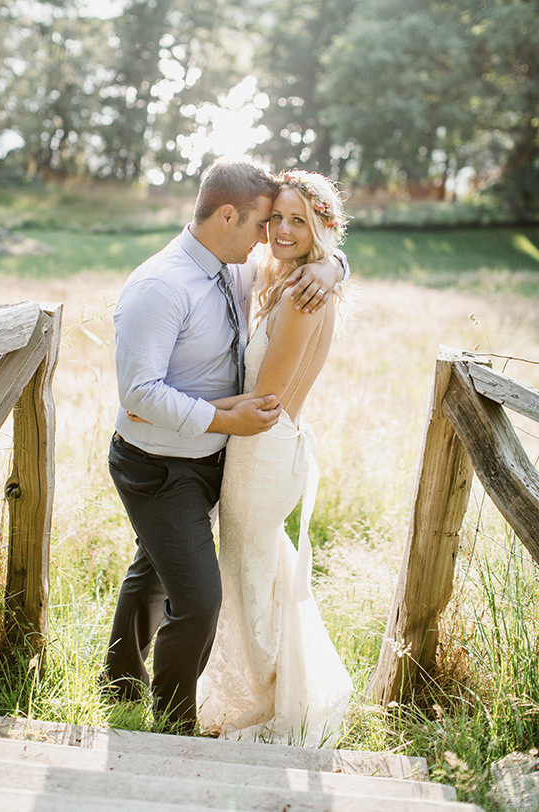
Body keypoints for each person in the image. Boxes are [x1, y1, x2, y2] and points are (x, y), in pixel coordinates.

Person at [105, 159, 347, 731]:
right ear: (229, 216)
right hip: (157, 463)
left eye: (283, 225)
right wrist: (220, 419)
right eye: (265, 224)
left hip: (214, 456)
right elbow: (138, 394)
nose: (271, 237)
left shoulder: (234, 268)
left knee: (154, 564)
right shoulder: (161, 285)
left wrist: (333, 264)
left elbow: (311, 249)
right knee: (200, 598)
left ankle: (118, 681)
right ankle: (173, 723)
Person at [197, 169, 353, 745]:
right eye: (275, 219)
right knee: (259, 571)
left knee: (247, 577)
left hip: (261, 453)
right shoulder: (294, 279)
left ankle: (267, 704)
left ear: (320, 229)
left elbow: (266, 401)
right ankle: (275, 690)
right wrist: (331, 263)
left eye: (297, 221)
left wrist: (177, 407)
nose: (281, 231)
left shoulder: (304, 299)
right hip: (261, 449)